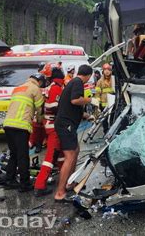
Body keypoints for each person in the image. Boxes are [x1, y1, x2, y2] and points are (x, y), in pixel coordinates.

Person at [54, 64, 97, 202]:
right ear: (89, 75)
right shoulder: (78, 82)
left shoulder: (72, 82)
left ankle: (69, 183)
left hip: (66, 123)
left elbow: (70, 105)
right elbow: (75, 100)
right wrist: (90, 100)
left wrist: (85, 115)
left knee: (76, 151)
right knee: (70, 155)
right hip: (66, 125)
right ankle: (60, 192)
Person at [3, 73, 45, 192]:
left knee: (14, 154)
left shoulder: (18, 87)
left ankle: (9, 180)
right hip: (21, 125)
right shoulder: (35, 88)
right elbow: (40, 109)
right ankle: (25, 184)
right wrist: (40, 121)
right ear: (39, 81)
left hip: (8, 124)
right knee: (23, 156)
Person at [34, 66, 65, 197]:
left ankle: (66, 180)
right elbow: (52, 106)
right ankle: (39, 186)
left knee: (62, 154)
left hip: (52, 125)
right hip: (54, 126)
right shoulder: (56, 87)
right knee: (50, 157)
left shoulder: (53, 86)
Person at [95, 63, 115, 134]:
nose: (107, 71)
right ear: (103, 71)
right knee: (104, 120)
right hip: (104, 104)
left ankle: (112, 131)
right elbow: (97, 93)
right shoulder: (100, 81)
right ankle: (106, 132)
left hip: (113, 103)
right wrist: (97, 104)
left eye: (108, 69)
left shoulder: (114, 79)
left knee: (113, 118)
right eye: (105, 70)